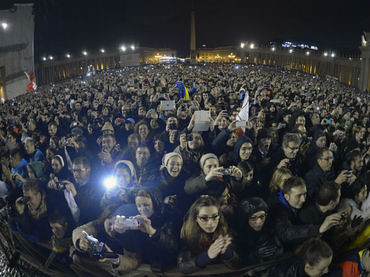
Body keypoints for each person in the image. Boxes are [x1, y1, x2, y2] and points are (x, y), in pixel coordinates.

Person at [272, 176, 341, 250]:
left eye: (304, 194)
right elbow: (286, 233)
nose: (303, 199)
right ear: (286, 197)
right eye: (298, 196)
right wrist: (318, 229)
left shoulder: (305, 199)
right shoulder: (278, 209)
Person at [178, 195, 234, 274]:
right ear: (196, 219)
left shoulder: (225, 229)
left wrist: (227, 253)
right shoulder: (187, 234)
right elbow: (183, 267)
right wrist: (207, 256)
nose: (211, 223)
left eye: (214, 217)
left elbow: (240, 261)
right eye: (204, 218)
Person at [236, 197, 283, 265]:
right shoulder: (239, 235)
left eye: (262, 216)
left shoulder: (271, 228)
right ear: (246, 218)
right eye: (253, 218)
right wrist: (255, 255)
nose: (258, 222)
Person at [268, 238, 333, 277]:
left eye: (328, 266)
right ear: (308, 267)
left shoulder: (305, 262)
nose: (326, 271)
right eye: (322, 269)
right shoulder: (286, 274)